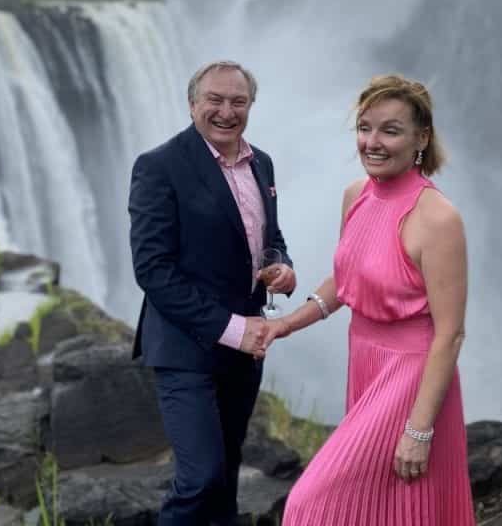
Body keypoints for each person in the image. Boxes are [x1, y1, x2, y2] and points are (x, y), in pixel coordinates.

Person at [270, 74, 475, 526]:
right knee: (379, 511)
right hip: (365, 361)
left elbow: (451, 334)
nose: (373, 142)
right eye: (365, 128)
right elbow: (347, 281)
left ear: (421, 137)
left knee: (309, 505)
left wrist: (419, 430)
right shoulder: (355, 197)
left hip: (412, 376)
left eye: (390, 130)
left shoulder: (438, 218)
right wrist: (285, 325)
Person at [129, 59, 297, 526]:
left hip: (244, 352)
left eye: (238, 101)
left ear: (250, 106)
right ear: (192, 105)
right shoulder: (159, 166)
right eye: (215, 100)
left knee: (224, 475)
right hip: (186, 347)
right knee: (199, 479)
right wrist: (233, 330)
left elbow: (270, 238)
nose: (227, 111)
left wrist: (280, 266)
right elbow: (152, 270)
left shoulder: (260, 162)